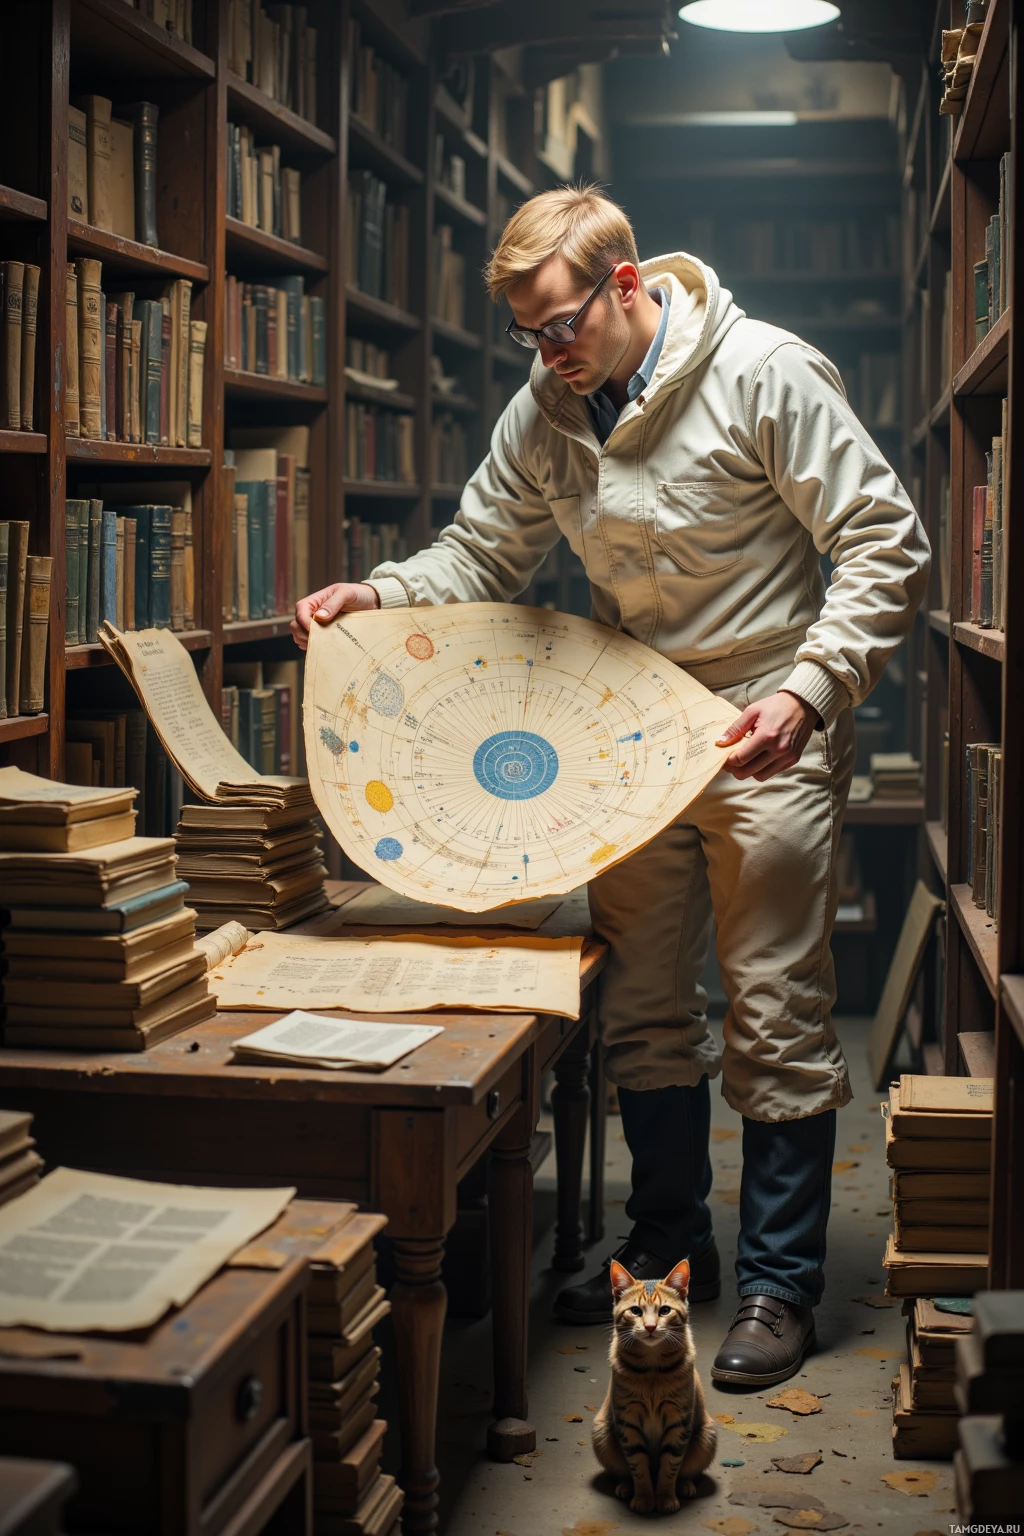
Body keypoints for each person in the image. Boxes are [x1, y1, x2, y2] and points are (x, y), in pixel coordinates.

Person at [292, 186, 929, 1389]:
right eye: (527, 333)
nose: (547, 352)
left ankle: (781, 1284)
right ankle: (669, 1252)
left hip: (764, 722)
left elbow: (882, 541)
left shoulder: (765, 373)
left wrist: (808, 692)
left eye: (560, 325)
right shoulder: (548, 408)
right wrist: (379, 594)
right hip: (627, 731)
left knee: (775, 1002)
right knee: (640, 1004)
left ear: (625, 284)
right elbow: (482, 549)